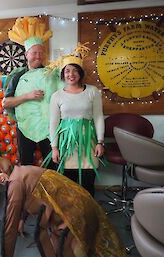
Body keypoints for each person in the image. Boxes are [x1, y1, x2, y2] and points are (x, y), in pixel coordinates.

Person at [0, 157, 127, 257]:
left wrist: (6, 254)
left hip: (72, 214)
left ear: (5, 167)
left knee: (66, 247)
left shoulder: (15, 183)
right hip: (81, 201)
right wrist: (22, 219)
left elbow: (9, 226)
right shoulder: (22, 170)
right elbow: (29, 194)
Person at [45, 43, 105, 196]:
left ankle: (89, 215)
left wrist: (100, 142)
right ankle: (72, 216)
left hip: (88, 143)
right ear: (63, 74)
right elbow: (53, 123)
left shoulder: (92, 92)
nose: (71, 74)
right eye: (67, 71)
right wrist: (54, 147)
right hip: (67, 147)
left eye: (75, 70)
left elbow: (98, 117)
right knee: (69, 187)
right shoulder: (56, 96)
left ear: (80, 73)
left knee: (87, 184)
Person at [2, 17, 62, 167]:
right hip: (25, 127)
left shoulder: (51, 74)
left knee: (52, 165)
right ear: (26, 54)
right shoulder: (17, 76)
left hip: (49, 127)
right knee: (26, 165)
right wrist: (27, 96)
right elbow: (6, 102)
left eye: (41, 53)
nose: (38, 56)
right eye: (34, 53)